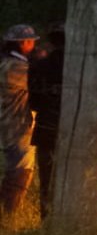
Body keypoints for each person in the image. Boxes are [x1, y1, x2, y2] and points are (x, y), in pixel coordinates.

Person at [0, 24, 39, 216]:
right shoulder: (16, 68)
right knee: (20, 170)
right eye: (31, 41)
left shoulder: (8, 63)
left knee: (17, 168)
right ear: (23, 43)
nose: (33, 45)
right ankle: (9, 215)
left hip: (12, 123)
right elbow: (35, 83)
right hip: (16, 125)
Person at [28, 24, 64, 220]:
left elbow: (33, 101)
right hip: (75, 131)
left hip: (46, 129)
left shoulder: (39, 66)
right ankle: (68, 220)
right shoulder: (85, 66)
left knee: (46, 180)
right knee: (73, 177)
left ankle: (47, 220)